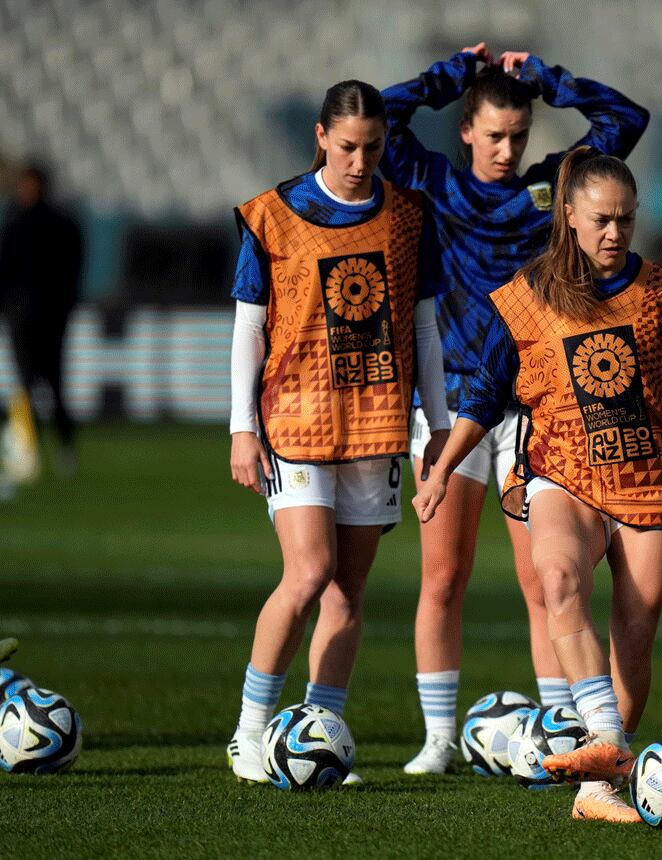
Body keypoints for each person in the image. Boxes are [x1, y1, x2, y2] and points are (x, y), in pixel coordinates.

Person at [413, 147, 662, 822]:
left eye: (626, 220)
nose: (614, 233)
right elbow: (484, 392)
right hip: (561, 470)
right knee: (558, 581)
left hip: (652, 478)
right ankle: (607, 743)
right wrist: (445, 464)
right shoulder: (524, 295)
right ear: (568, 216)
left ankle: (595, 788)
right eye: (601, 219)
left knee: (635, 629)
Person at [379, 43, 649, 776]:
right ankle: (438, 739)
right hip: (448, 406)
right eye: (493, 135)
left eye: (518, 136)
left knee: (544, 581)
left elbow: (627, 119)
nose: (506, 149)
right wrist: (449, 76)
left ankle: (561, 733)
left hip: (531, 408)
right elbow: (377, 117)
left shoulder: (549, 193)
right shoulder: (432, 182)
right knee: (443, 577)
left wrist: (545, 80)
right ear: (465, 130)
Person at [225, 81, 449, 785]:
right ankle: (249, 734)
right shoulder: (269, 215)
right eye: (348, 146)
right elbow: (249, 328)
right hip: (293, 416)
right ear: (321, 137)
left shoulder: (411, 215)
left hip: (378, 421)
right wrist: (241, 427)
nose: (361, 160)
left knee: (348, 591)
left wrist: (437, 423)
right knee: (309, 572)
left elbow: (422, 325)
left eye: (373, 147)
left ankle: (318, 732)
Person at [0, 163, 83, 476]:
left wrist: (65, 304)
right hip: (20, 316)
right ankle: (26, 451)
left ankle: (64, 447)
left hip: (49, 317)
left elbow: (71, 267)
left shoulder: (57, 223)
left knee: (54, 384)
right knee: (24, 387)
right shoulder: (15, 220)